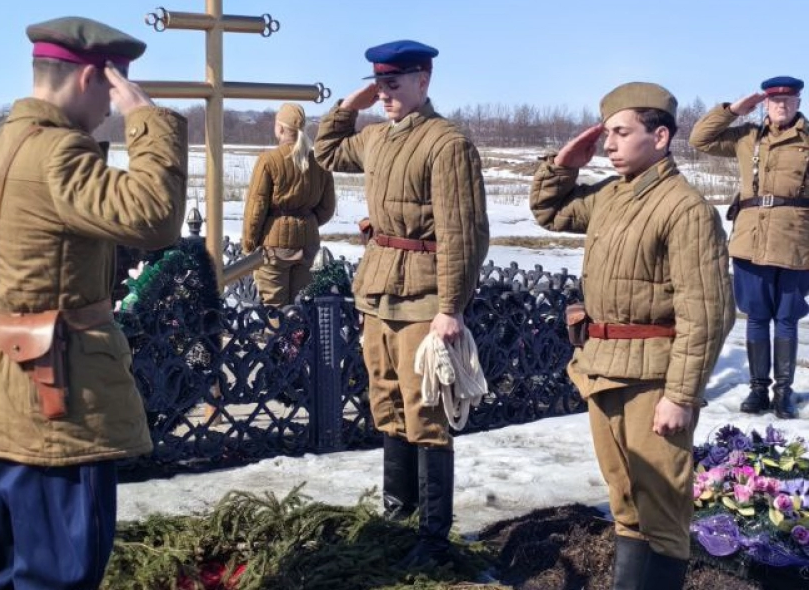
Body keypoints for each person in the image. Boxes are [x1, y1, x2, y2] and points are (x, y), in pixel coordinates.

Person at [0, 16, 188, 590]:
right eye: (112, 90)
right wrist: (145, 118)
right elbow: (154, 217)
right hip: (62, 411)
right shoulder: (61, 157)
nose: (110, 108)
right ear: (88, 80)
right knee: (58, 576)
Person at [531, 82, 734, 587]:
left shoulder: (685, 209)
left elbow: (706, 313)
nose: (610, 144)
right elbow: (550, 211)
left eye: (621, 133)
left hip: (652, 381)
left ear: (660, 136)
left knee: (662, 512)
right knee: (624, 501)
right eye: (607, 135)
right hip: (602, 367)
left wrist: (681, 395)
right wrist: (564, 162)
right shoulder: (611, 196)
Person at [314, 39, 489, 567]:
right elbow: (326, 149)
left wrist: (451, 307)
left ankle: (433, 536)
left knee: (426, 410)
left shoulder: (446, 142)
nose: (386, 93)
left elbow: (462, 232)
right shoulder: (376, 137)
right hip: (378, 292)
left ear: (424, 81)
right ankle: (399, 516)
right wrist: (351, 103)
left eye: (394, 83)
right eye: (380, 84)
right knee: (388, 403)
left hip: (424, 298)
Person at [689, 76, 808, 419]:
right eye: (774, 100)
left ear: (798, 102)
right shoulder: (746, 137)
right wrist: (733, 110)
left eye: (788, 99)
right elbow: (700, 139)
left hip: (795, 241)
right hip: (750, 239)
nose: (781, 105)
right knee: (756, 316)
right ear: (765, 104)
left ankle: (783, 392)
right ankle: (758, 389)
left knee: (786, 318)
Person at [241, 102, 336, 305]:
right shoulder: (319, 161)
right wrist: (306, 222)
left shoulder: (269, 160)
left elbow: (255, 208)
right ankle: (299, 338)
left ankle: (278, 338)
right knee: (303, 307)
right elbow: (327, 208)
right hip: (309, 245)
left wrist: (249, 243)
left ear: (281, 128)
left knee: (275, 307)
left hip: (275, 247)